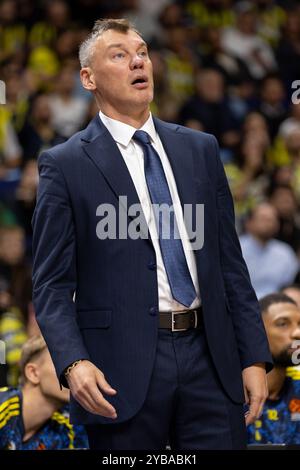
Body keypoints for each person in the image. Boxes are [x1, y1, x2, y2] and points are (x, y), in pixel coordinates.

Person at [32, 18, 272, 450]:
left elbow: (229, 264)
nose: (137, 61)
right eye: (119, 55)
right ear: (88, 78)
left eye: (141, 52)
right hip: (118, 369)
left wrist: (253, 355)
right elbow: (50, 284)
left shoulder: (201, 149)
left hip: (210, 358)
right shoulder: (64, 164)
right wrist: (73, 362)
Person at [0, 335, 88, 450]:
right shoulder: (3, 406)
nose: (75, 373)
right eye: (61, 362)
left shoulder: (70, 426)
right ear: (33, 373)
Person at [247, 293, 300, 445]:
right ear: (256, 332)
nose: (297, 333)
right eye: (283, 324)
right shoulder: (232, 395)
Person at [239, 202, 299, 299]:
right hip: (243, 304)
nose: (269, 223)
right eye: (263, 219)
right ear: (249, 223)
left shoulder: (285, 252)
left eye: (272, 219)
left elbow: (291, 286)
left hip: (278, 305)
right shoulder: (237, 249)